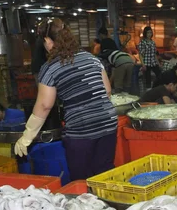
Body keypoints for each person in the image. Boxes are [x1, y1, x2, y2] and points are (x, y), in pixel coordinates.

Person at [14, 18, 117, 181]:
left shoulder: (50, 67)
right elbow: (108, 91)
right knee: (104, 173)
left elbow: (44, 105)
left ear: (48, 40)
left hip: (81, 129)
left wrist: (27, 136)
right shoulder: (91, 58)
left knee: (82, 178)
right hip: (108, 122)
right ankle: (107, 204)